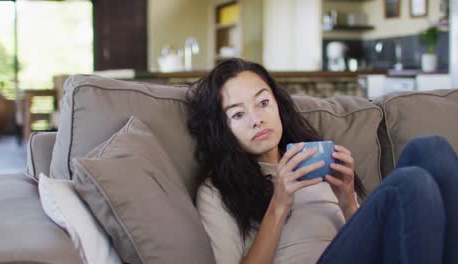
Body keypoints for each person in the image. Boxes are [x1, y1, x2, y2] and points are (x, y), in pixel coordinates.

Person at [186, 58, 458, 264]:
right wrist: (278, 205)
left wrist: (348, 199)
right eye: (237, 114)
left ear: (277, 105)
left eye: (263, 103)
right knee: (411, 183)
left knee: (431, 149)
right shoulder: (217, 191)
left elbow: (372, 240)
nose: (256, 118)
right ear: (222, 128)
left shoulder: (315, 161)